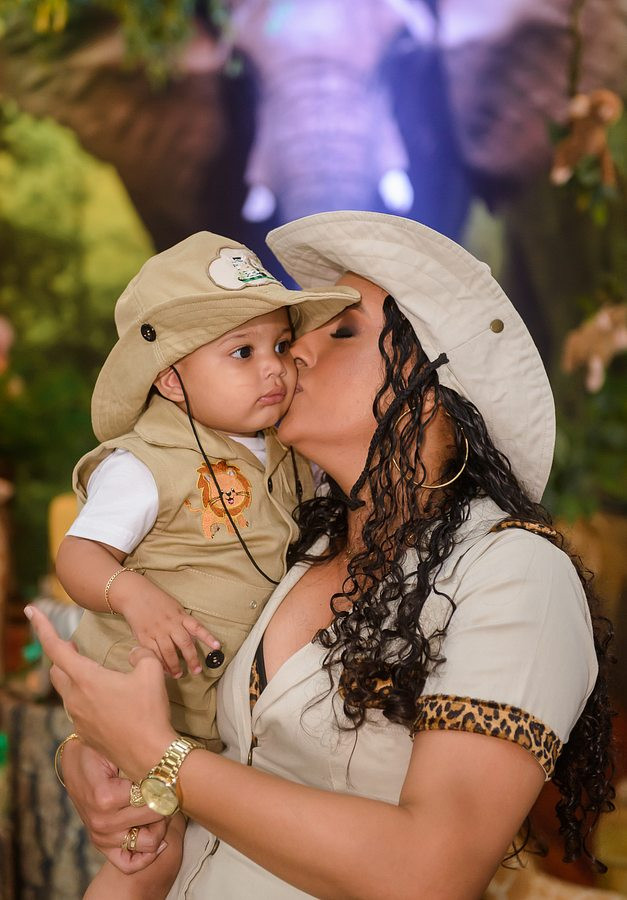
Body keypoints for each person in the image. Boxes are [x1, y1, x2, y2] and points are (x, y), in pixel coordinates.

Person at [29, 211, 614, 899]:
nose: (292, 353)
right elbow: (190, 720)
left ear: (432, 389)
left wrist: (162, 759)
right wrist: (90, 755)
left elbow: (433, 871)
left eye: (341, 332)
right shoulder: (298, 541)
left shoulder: (513, 572)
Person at [53, 229, 357, 898]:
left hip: (221, 709)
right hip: (148, 691)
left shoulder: (291, 451)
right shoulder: (144, 464)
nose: (274, 369)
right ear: (170, 379)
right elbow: (77, 554)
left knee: (192, 846)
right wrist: (131, 593)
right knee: (146, 856)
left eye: (280, 346)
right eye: (241, 352)